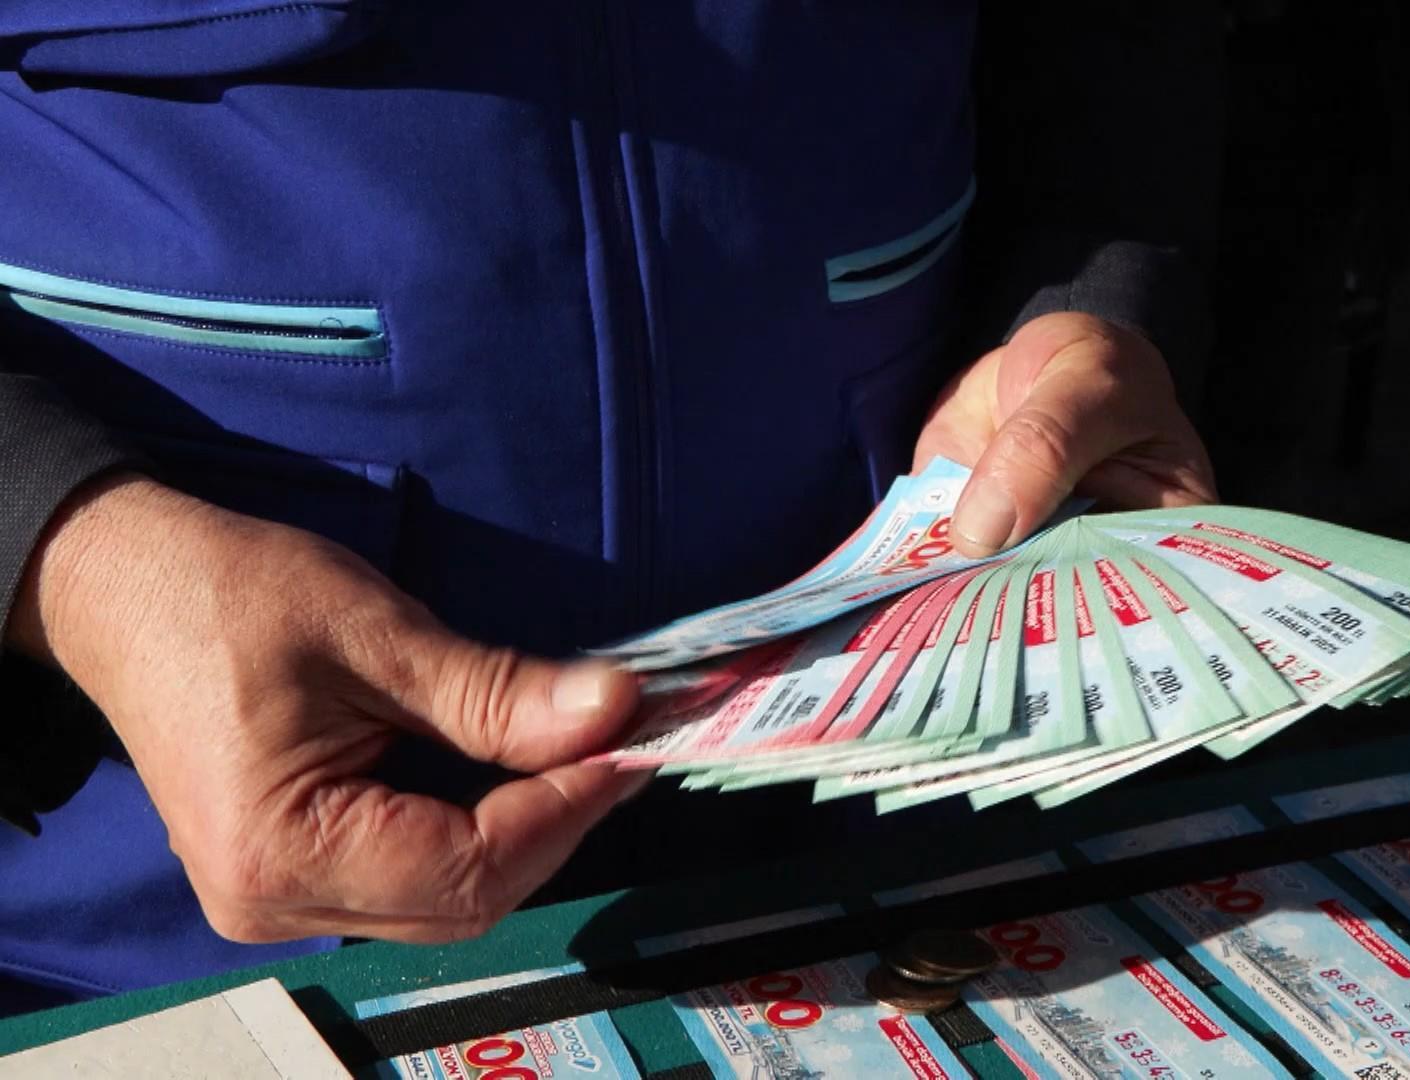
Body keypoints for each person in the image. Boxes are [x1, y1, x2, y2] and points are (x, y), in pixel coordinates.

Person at [0, 2, 1222, 1011]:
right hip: (147, 943)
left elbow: (1125, 52)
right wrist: (71, 550)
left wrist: (1094, 297)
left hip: (918, 849)